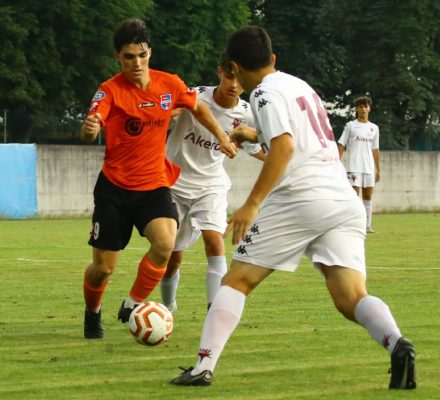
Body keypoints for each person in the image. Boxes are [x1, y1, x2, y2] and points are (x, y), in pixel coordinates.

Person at [170, 26, 416, 390]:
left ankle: (203, 366)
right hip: (341, 197)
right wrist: (249, 135)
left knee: (236, 281)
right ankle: (398, 343)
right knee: (350, 297)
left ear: (233, 68)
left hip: (301, 197)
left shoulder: (264, 95)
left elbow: (284, 148)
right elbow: (298, 138)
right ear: (273, 59)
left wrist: (251, 204)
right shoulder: (299, 85)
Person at [80, 19, 237, 339]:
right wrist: (90, 129)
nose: (136, 63)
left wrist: (221, 134)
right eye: (128, 57)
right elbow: (95, 117)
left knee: (166, 243)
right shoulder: (109, 90)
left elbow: (199, 108)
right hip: (114, 189)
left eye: (141, 55)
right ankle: (92, 312)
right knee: (103, 268)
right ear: (117, 58)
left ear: (149, 52)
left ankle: (132, 304)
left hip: (154, 185)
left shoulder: (170, 84)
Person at [160, 52, 265, 313]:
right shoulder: (195, 96)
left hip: (212, 185)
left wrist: (285, 160)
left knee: (214, 240)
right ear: (219, 72)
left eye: (239, 79)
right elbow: (167, 114)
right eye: (229, 76)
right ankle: (168, 307)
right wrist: (168, 116)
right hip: (175, 184)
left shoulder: (246, 113)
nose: (234, 85)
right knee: (172, 258)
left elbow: (257, 149)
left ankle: (214, 311)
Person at [337, 96, 380, 233]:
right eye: (360, 106)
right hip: (354, 166)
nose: (363, 109)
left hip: (368, 168)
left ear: (369, 109)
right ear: (356, 109)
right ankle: (353, 225)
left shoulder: (374, 128)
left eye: (365, 106)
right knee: (354, 196)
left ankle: (367, 226)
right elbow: (341, 144)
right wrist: (337, 162)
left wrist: (378, 169)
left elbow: (375, 149)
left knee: (368, 196)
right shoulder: (350, 125)